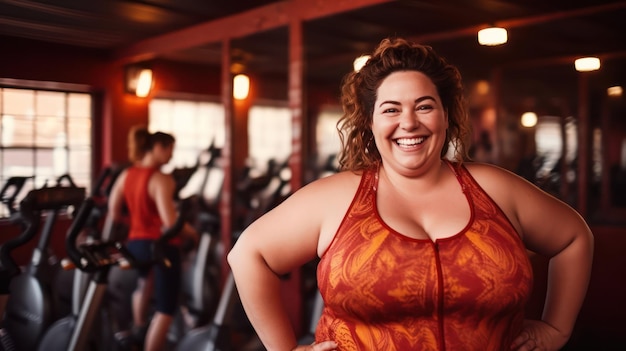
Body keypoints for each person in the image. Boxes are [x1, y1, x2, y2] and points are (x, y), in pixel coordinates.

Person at [227, 37, 594, 351]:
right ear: (370, 123)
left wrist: (556, 328)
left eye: (424, 106)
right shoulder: (333, 198)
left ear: (445, 116)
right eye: (391, 109)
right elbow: (248, 254)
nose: (409, 122)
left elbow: (574, 237)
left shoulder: (496, 189)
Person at [107, 125, 198, 351]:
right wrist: (194, 234)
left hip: (135, 244)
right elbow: (170, 222)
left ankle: (139, 329)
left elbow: (114, 212)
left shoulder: (126, 174)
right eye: (169, 150)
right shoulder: (160, 179)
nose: (171, 155)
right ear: (157, 147)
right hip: (161, 247)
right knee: (165, 310)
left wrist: (137, 224)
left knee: (143, 285)